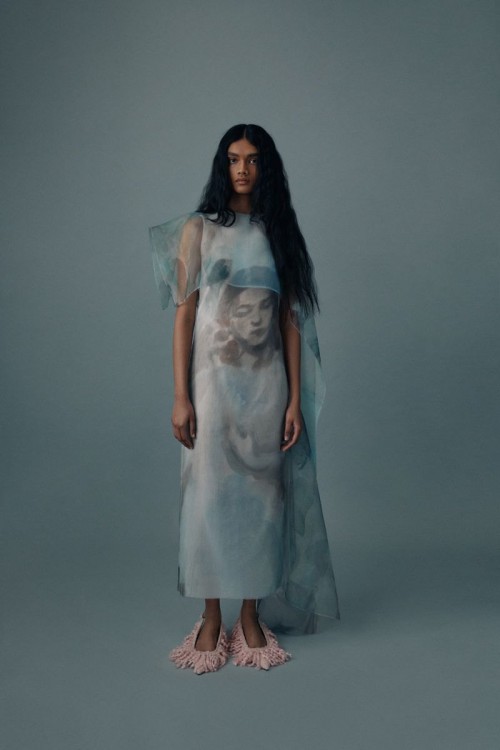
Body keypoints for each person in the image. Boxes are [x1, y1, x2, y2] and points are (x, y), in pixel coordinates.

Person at [148, 124, 340, 674]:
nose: (242, 170)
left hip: (266, 387)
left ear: (266, 167)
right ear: (222, 164)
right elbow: (185, 315)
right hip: (210, 384)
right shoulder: (198, 229)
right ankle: (211, 614)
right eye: (233, 159)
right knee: (206, 496)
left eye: (253, 160)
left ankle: (250, 613)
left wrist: (294, 400)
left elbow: (290, 322)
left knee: (263, 498)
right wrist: (181, 395)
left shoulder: (278, 232)